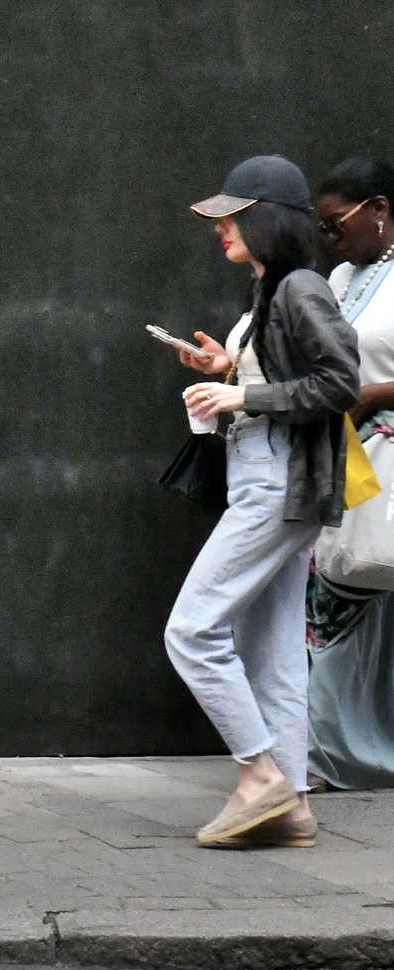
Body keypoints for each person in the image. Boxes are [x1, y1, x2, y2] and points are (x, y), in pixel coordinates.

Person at [167, 156, 361, 846]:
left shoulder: (300, 288)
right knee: (273, 651)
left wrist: (242, 394)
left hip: (276, 483)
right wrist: (228, 367)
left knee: (191, 630)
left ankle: (260, 777)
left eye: (234, 214)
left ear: (268, 217)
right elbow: (294, 375)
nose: (221, 227)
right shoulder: (273, 292)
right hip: (270, 478)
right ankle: (294, 806)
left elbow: (341, 381)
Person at [306, 157, 394, 790]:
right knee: (340, 591)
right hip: (348, 465)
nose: (329, 238)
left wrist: (378, 395)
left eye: (337, 223)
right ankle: (336, 757)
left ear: (381, 210)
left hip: (387, 454)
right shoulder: (339, 278)